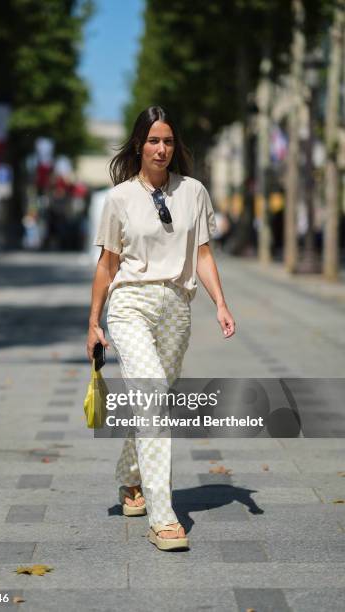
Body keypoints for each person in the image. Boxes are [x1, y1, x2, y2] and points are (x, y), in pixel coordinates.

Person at [86, 106, 235, 551]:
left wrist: (221, 303)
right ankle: (163, 516)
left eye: (168, 141)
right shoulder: (119, 199)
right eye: (153, 140)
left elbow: (203, 253)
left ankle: (130, 479)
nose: (161, 148)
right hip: (131, 304)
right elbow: (107, 264)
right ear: (138, 144)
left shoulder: (194, 192)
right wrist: (94, 321)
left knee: (155, 401)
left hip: (177, 306)